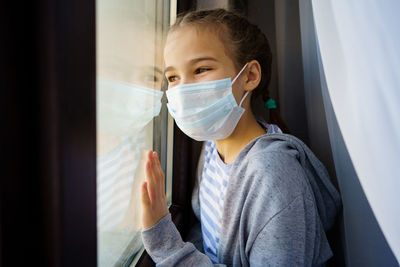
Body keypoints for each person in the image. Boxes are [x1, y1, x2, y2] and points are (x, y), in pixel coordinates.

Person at [140, 8, 342, 266]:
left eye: (201, 69)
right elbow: (208, 238)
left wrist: (165, 243)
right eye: (173, 77)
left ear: (249, 76)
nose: (183, 88)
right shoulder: (212, 146)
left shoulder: (273, 175)